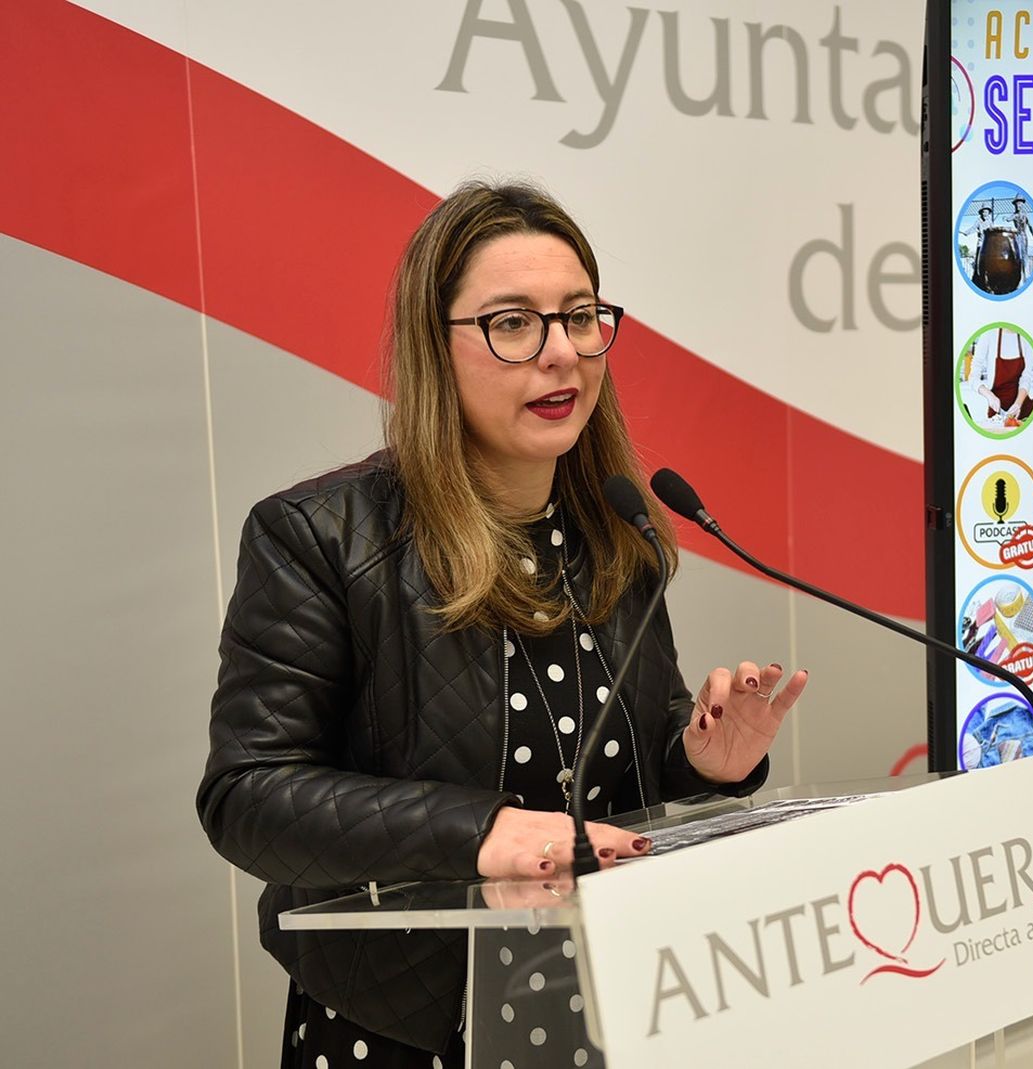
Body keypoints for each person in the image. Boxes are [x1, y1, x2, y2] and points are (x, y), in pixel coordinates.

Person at [197, 180, 808, 1067]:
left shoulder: (616, 530)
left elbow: (622, 758)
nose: (561, 353)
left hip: (607, 998)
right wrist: (481, 830)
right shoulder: (321, 538)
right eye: (512, 322)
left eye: (580, 316)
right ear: (432, 347)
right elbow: (247, 795)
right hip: (402, 1025)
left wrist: (705, 758)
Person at [966, 326, 1033, 426]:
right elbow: (973, 377)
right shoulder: (988, 334)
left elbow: (1026, 378)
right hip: (997, 413)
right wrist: (990, 396)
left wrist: (1018, 404)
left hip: (1025, 409)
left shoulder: (1026, 337)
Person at [1008, 196, 1033, 282]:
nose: (1018, 205)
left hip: (1023, 236)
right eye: (1017, 204)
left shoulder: (1025, 214)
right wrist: (1007, 218)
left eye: (1020, 203)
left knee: (1024, 255)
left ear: (1022, 204)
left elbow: (1030, 226)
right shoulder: (1014, 215)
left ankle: (1026, 274)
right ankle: (1018, 276)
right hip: (1017, 236)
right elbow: (1008, 219)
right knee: (1017, 255)